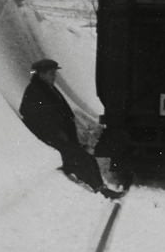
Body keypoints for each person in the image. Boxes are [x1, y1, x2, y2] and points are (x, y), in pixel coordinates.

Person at [18, 59, 122, 199]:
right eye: (51, 73)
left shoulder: (48, 89)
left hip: (59, 138)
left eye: (54, 73)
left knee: (84, 157)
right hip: (50, 139)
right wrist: (54, 133)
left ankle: (98, 186)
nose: (54, 76)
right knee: (84, 158)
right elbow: (31, 115)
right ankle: (100, 189)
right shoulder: (35, 91)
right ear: (41, 74)